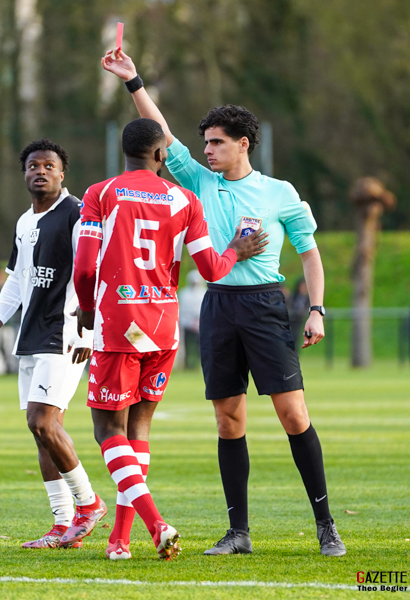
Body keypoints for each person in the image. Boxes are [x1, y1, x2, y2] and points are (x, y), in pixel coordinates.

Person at [103, 49, 346, 557]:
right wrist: (134, 82)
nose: (206, 150)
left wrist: (317, 308)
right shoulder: (198, 181)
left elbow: (311, 255)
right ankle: (239, 533)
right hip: (217, 306)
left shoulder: (280, 193)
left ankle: (326, 525)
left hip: (264, 306)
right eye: (204, 143)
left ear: (243, 144)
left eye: (216, 143)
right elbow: (160, 133)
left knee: (292, 415)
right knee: (227, 420)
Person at [73, 118, 266, 560]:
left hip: (119, 323)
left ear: (124, 152)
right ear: (161, 155)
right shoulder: (185, 199)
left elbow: (85, 268)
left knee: (107, 429)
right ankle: (119, 541)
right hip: (164, 326)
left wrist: (86, 308)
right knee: (137, 430)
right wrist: (237, 247)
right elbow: (213, 269)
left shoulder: (100, 193)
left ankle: (155, 522)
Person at [0, 139, 106, 550]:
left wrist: (90, 330)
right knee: (43, 432)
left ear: (62, 173)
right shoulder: (24, 222)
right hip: (32, 334)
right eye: (33, 165)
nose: (41, 171)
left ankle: (89, 504)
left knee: (42, 422)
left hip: (65, 332)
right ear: (24, 173)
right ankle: (62, 524)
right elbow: (16, 281)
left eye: (49, 165)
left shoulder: (77, 212)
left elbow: (95, 270)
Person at [178, 270, 205, 369]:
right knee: (187, 346)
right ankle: (187, 365)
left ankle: (199, 364)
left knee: (200, 347)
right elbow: (182, 308)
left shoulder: (204, 293)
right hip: (186, 323)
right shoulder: (184, 293)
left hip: (200, 324)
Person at [289, 278, 311, 350]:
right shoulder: (293, 296)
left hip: (299, 321)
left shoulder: (308, 298)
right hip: (291, 320)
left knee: (297, 340)